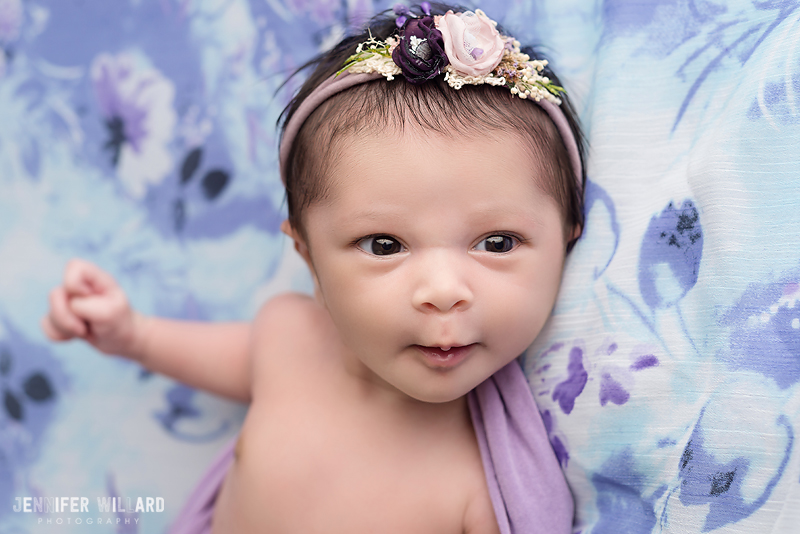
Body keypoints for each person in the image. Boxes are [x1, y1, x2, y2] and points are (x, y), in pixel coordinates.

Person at [42, 3, 585, 533]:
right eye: (383, 245)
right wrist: (132, 334)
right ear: (306, 253)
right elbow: (234, 359)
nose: (443, 292)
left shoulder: (483, 492)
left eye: (497, 242)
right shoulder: (290, 338)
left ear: (566, 240)